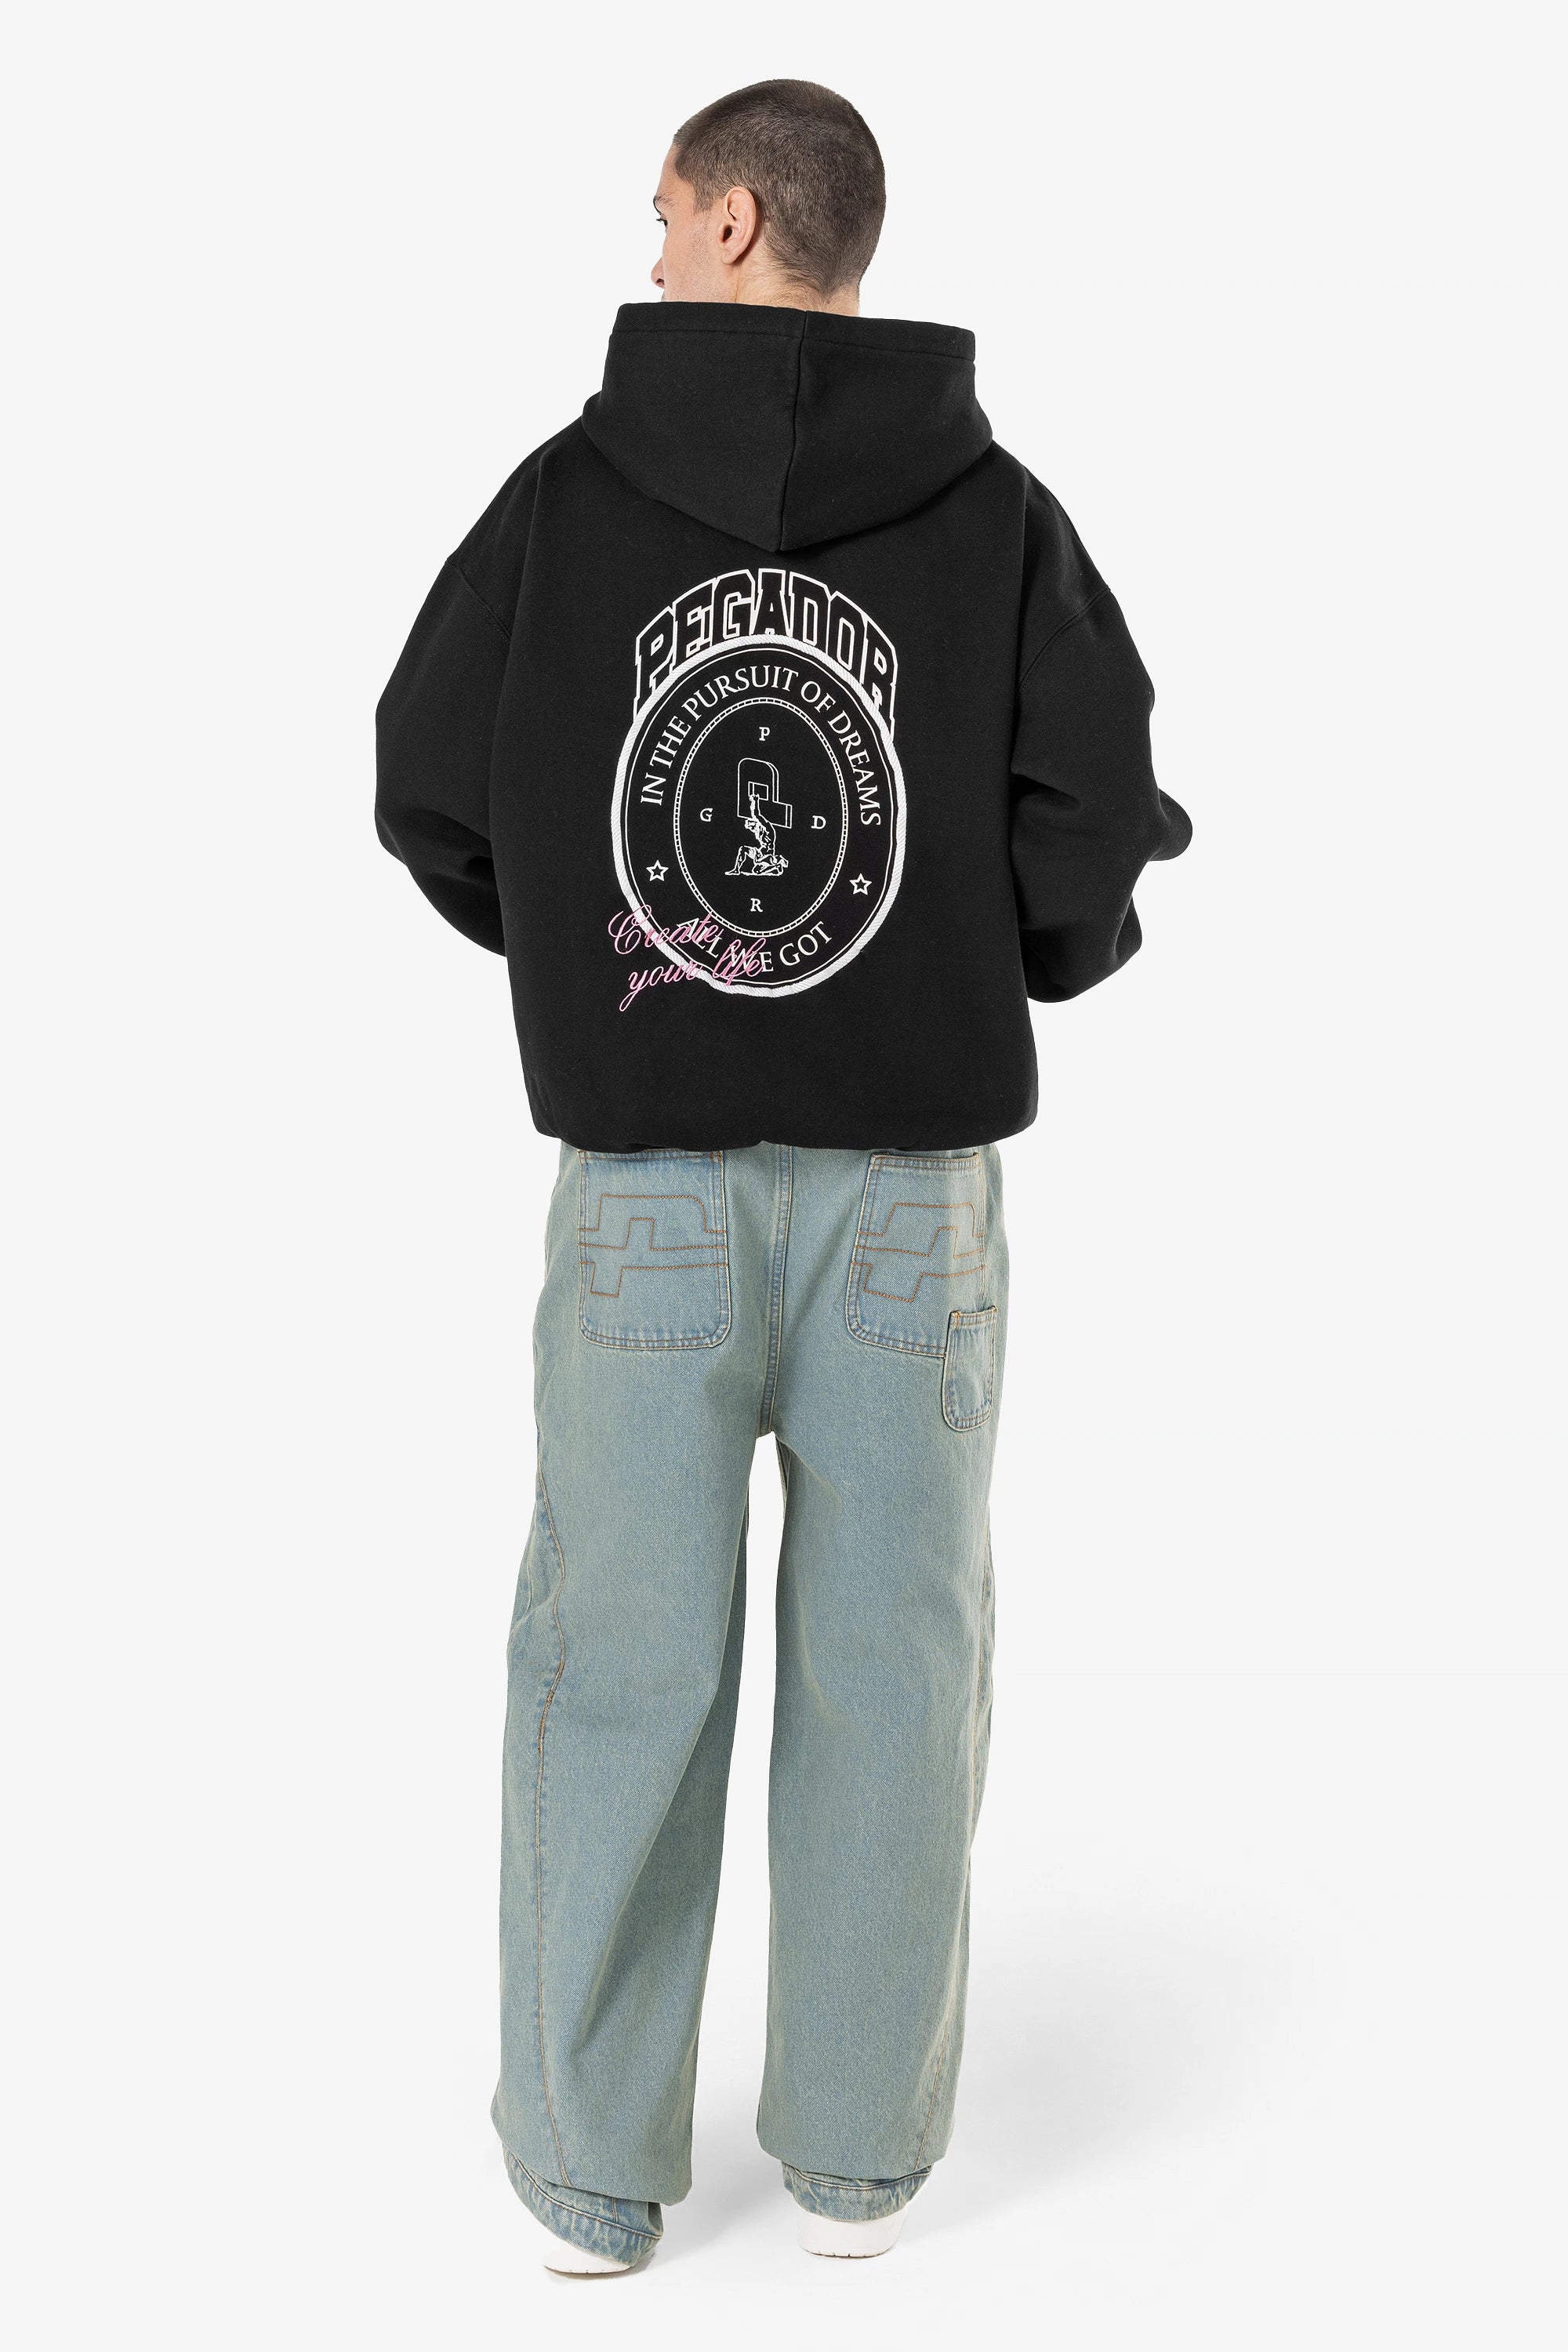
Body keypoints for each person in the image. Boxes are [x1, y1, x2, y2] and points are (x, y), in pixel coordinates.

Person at [376, 78, 1190, 2275]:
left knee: (614, 1656)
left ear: (738, 221)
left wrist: (605, 965)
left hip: (644, 1186)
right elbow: (1093, 804)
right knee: (894, 1662)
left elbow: (423, 774)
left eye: (662, 213)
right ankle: (855, 2162)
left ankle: (589, 2173)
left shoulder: (564, 499)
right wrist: (998, 960)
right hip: (913, 1193)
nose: (648, 251)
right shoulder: (997, 510)